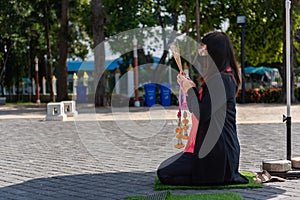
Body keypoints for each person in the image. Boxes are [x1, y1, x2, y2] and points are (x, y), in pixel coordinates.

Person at [157, 31, 249, 186]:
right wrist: (190, 87)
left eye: (205, 50)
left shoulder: (222, 80)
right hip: (214, 150)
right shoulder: (221, 77)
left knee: (164, 173)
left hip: (217, 152)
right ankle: (208, 176)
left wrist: (189, 90)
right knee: (167, 169)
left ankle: (209, 178)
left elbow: (202, 113)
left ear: (215, 52)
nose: (201, 53)